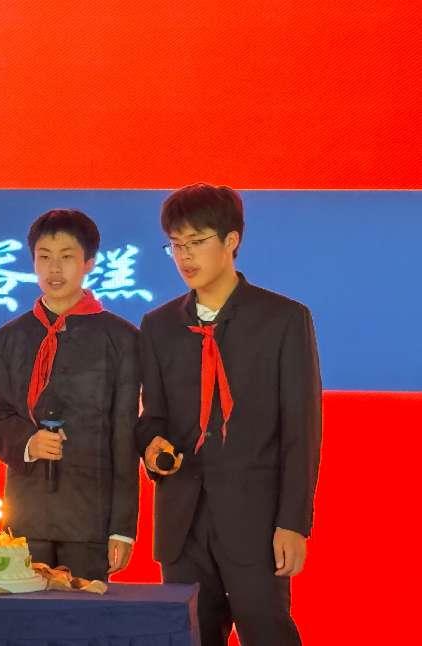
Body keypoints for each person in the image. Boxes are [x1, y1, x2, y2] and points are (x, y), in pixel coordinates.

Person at [136, 184, 322, 645]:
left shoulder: (283, 319)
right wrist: (151, 446)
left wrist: (294, 523)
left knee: (269, 633)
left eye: (197, 241)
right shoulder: (158, 326)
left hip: (257, 523)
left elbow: (301, 430)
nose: (185, 256)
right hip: (182, 524)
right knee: (189, 637)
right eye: (175, 245)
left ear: (231, 240)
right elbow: (152, 417)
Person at [0, 209, 141, 582]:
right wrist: (29, 442)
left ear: (89, 263)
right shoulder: (9, 339)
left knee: (84, 614)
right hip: (26, 514)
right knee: (25, 613)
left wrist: (122, 527)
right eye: (44, 257)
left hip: (90, 517)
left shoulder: (122, 339)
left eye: (66, 257)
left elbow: (125, 436)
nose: (54, 269)